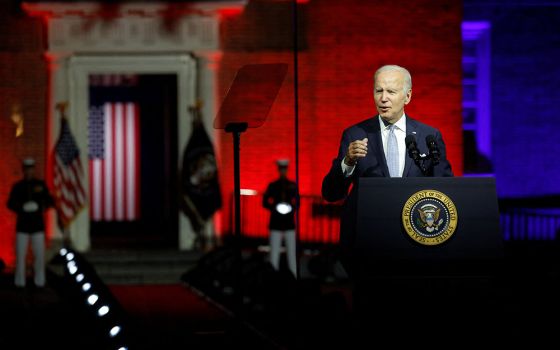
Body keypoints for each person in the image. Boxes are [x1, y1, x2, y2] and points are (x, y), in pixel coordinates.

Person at [321, 64, 454, 276]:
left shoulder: (428, 137)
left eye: (391, 91)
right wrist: (347, 161)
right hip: (368, 246)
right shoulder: (355, 134)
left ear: (407, 96)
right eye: (378, 91)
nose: (383, 98)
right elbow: (331, 193)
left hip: (416, 246)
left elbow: (446, 192)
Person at [7, 157, 54, 288]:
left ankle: (40, 282)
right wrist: (21, 207)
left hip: (37, 226)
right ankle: (19, 282)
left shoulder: (41, 185)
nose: (29, 172)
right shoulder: (17, 186)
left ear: (34, 170)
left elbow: (49, 201)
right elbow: (10, 203)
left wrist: (39, 206)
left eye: (31, 169)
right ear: (24, 170)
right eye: (27, 169)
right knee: (20, 256)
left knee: (39, 256)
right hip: (22, 226)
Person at [262, 159, 298, 278]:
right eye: (281, 169)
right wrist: (274, 207)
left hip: (288, 223)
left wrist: (290, 208)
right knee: (274, 254)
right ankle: (273, 279)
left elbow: (298, 202)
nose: (283, 171)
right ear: (279, 170)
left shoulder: (292, 186)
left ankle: (293, 278)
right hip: (276, 223)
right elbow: (265, 202)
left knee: (291, 254)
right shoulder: (273, 186)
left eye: (284, 169)